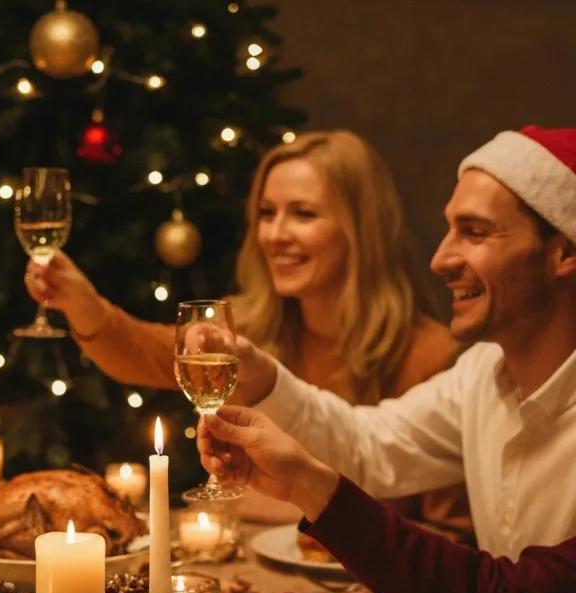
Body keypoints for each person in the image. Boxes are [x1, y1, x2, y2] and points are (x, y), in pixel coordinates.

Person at [25, 130, 467, 533]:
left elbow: (451, 538)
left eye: (304, 214)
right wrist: (82, 304)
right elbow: (147, 353)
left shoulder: (430, 355)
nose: (275, 235)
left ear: (360, 229)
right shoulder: (249, 327)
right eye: (267, 213)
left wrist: (281, 506)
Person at [218, 125, 576, 562]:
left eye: (476, 232)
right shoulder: (481, 373)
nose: (440, 260)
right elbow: (366, 447)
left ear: (563, 253)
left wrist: (310, 489)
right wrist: (265, 379)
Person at [198, 405, 576, 593]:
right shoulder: (482, 369)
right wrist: (302, 482)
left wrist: (306, 485)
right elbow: (367, 438)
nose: (439, 276)